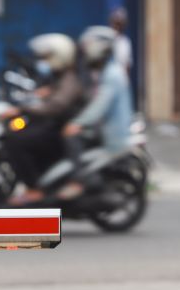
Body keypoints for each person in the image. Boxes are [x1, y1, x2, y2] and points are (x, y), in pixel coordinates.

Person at [2, 33, 85, 205]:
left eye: (48, 57)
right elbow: (47, 93)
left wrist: (23, 109)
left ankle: (33, 189)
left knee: (16, 142)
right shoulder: (58, 77)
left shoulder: (70, 79)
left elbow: (55, 106)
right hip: (51, 125)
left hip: (58, 129)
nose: (44, 62)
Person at [57, 26, 134, 199]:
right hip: (106, 127)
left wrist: (78, 123)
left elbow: (100, 105)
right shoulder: (106, 72)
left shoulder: (112, 75)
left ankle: (77, 181)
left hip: (111, 134)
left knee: (70, 135)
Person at [109, 7, 133, 73]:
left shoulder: (125, 42)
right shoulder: (106, 39)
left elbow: (127, 65)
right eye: (115, 23)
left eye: (120, 24)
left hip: (119, 79)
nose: (117, 27)